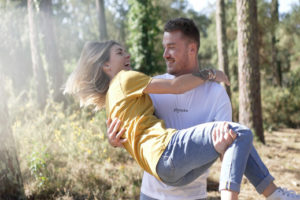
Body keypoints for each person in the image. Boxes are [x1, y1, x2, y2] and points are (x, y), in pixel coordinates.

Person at [64, 39, 300, 200]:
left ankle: (274, 193)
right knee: (241, 133)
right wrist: (210, 74)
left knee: (233, 137)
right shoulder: (125, 79)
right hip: (167, 153)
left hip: (169, 174)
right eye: (119, 53)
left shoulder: (112, 103)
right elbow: (177, 86)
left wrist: (216, 143)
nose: (127, 55)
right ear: (106, 65)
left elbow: (128, 137)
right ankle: (272, 193)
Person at [107, 17, 232, 200]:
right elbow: (136, 126)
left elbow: (227, 153)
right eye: (164, 47)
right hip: (150, 194)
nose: (165, 54)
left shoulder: (216, 94)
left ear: (192, 49)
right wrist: (114, 139)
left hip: (193, 196)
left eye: (172, 47)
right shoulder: (154, 87)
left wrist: (228, 194)